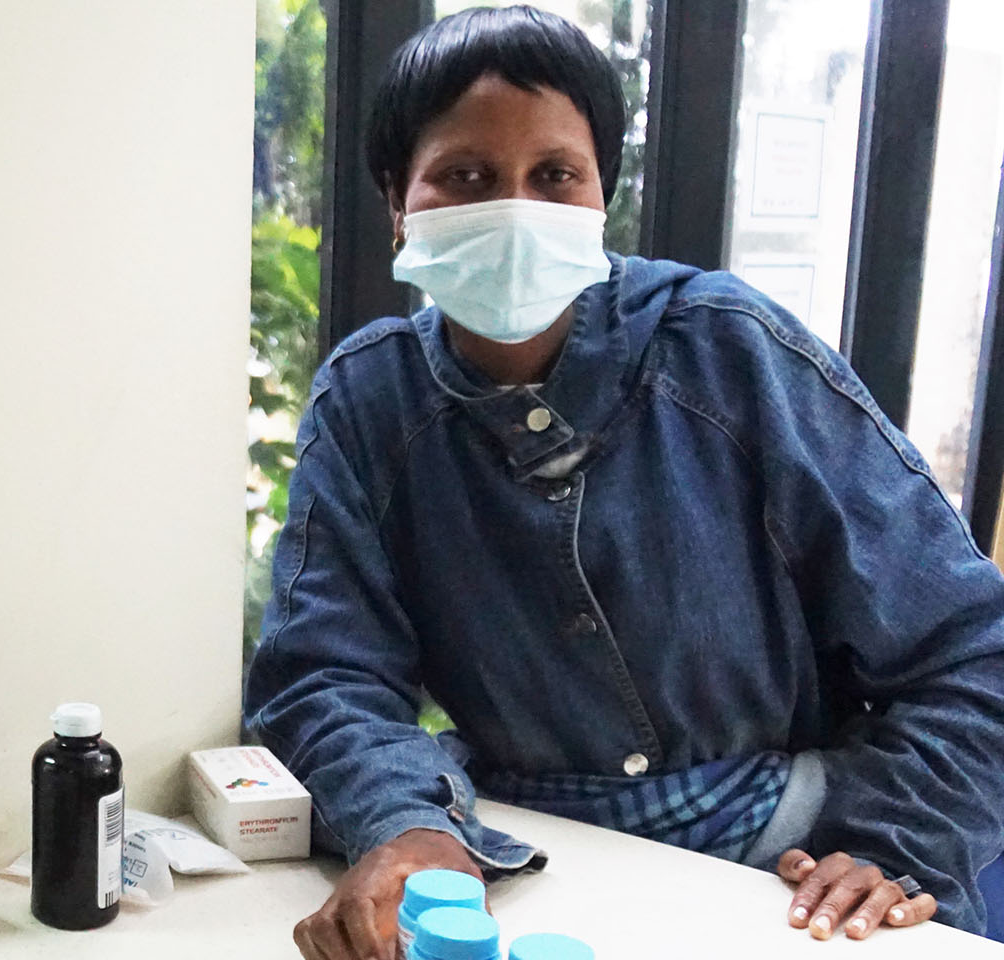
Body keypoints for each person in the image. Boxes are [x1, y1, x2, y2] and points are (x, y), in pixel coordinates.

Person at [243, 7, 1004, 959]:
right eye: (467, 177)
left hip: (792, 860)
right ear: (398, 201)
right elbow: (324, 673)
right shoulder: (367, 399)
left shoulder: (732, 352)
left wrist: (899, 842)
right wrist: (408, 821)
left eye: (554, 175)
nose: (516, 208)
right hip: (532, 854)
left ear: (605, 197)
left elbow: (973, 646)